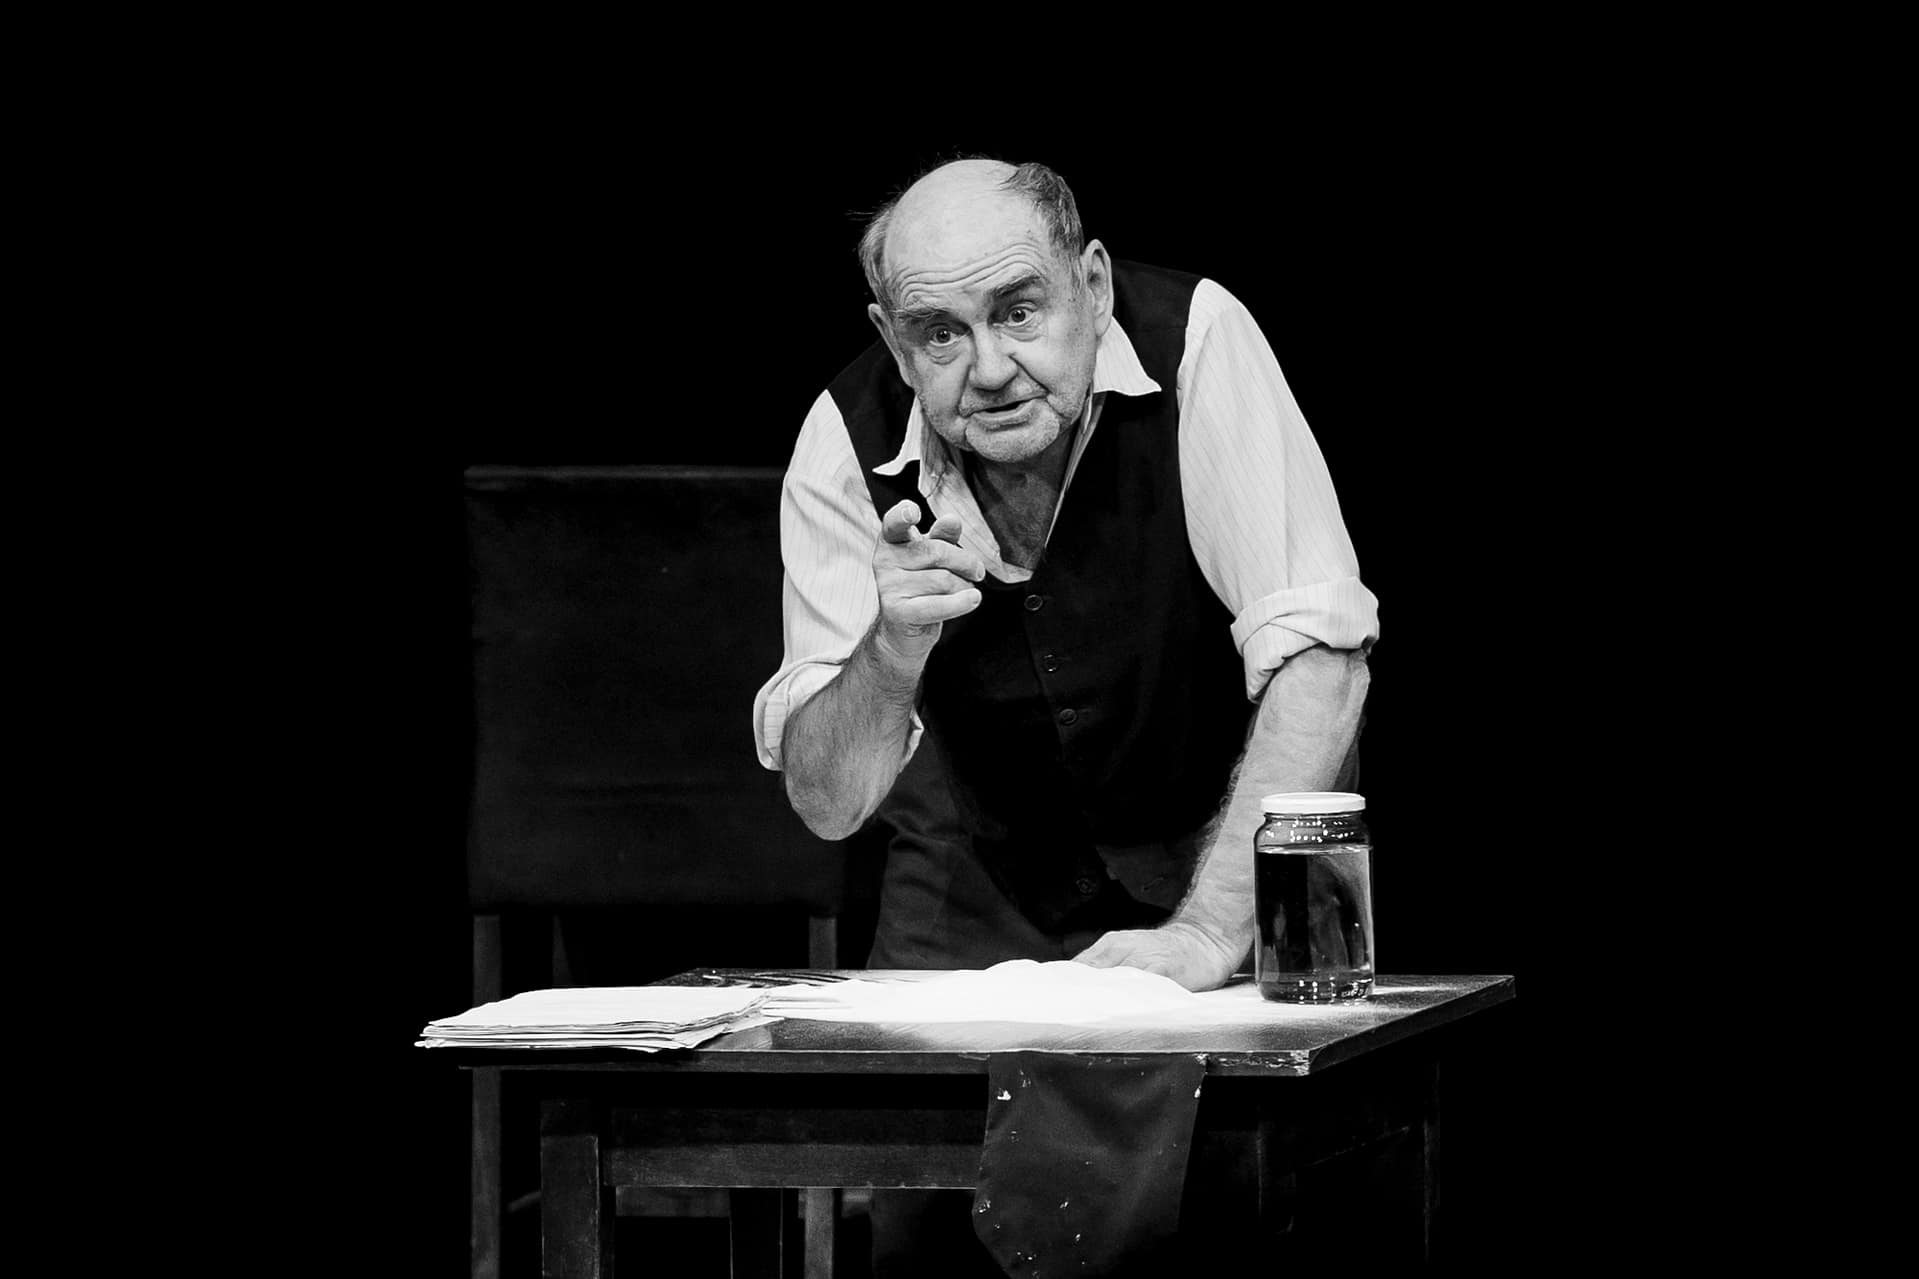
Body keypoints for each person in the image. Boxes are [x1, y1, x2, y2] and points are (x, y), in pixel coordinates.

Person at [750, 157, 1377, 1274]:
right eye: (939, 334)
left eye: (1019, 311)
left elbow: (1323, 661)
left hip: (1229, 867)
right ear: (892, 339)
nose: (990, 368)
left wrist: (1207, 931)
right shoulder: (845, 439)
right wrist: (889, 649)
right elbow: (828, 802)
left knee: (1249, 1223)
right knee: (930, 1248)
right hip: (985, 885)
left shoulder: (1195, 341)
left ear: (1089, 283)